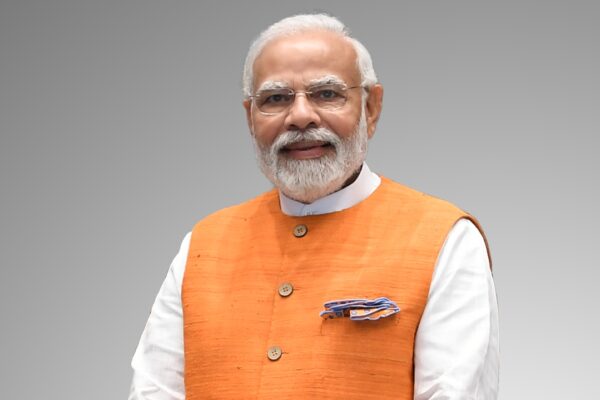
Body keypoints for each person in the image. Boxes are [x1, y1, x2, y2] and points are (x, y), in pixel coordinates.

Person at [129, 13, 499, 400]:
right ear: (250, 118)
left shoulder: (444, 240)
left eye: (326, 94)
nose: (301, 116)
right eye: (276, 99)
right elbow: (153, 391)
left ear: (371, 107)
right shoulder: (203, 245)